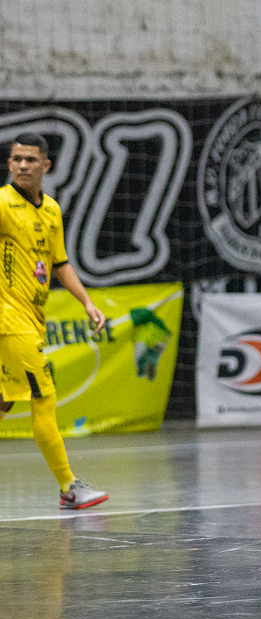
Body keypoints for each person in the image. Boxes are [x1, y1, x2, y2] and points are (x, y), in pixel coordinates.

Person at [0, 132, 109, 510]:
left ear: (45, 166)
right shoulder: (2, 203)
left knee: (2, 402)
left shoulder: (51, 210)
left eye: (30, 160)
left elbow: (60, 263)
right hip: (9, 322)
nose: (22, 166)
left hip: (33, 318)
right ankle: (68, 487)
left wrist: (87, 302)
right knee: (42, 397)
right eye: (16, 160)